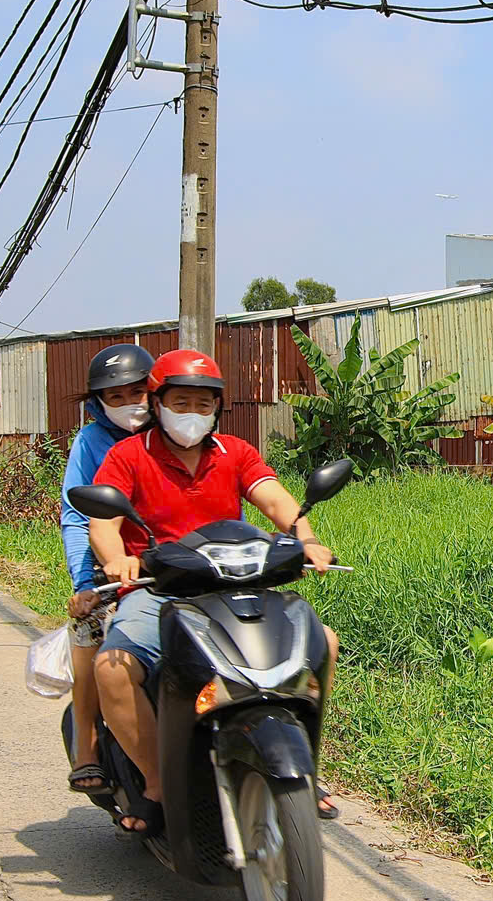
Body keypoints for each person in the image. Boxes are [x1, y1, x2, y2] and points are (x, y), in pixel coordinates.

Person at [86, 350, 340, 830]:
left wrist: (305, 539)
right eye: (181, 401)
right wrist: (116, 557)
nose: (192, 414)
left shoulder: (236, 453)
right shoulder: (128, 455)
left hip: (235, 584)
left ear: (218, 408)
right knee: (113, 669)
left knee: (321, 643)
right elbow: (103, 524)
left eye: (204, 404)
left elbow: (275, 500)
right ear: (157, 403)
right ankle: (158, 781)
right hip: (157, 589)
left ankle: (305, 766)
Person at [62, 343, 156, 798]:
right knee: (90, 636)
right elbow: (78, 516)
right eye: (114, 397)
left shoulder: (175, 431)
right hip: (112, 567)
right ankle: (87, 744)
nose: (127, 405)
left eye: (136, 393)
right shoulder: (90, 442)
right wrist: (87, 583)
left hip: (174, 561)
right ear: (98, 401)